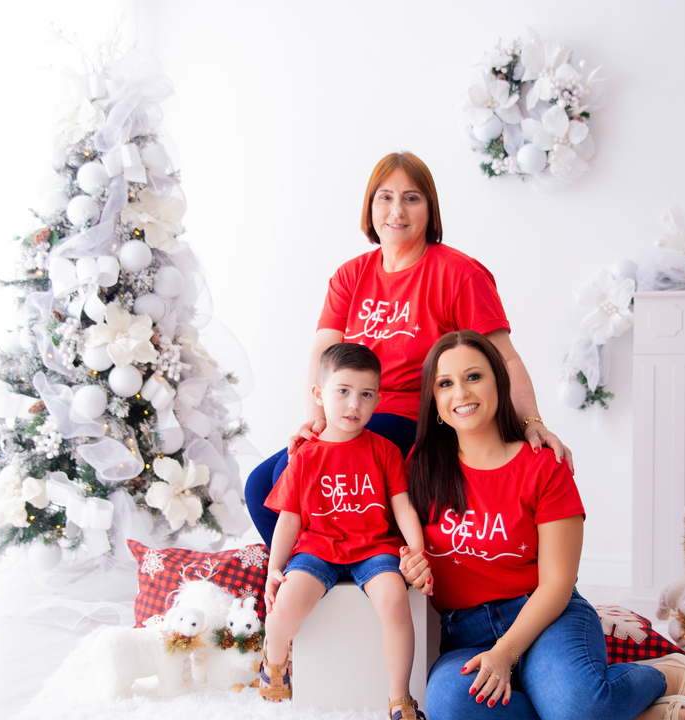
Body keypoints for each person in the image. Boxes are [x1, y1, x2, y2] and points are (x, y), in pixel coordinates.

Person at [400, 330, 685, 720]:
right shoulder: (420, 470)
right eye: (445, 383)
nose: (461, 392)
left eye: (474, 376)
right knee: (451, 711)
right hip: (466, 632)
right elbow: (401, 552)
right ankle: (620, 715)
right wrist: (411, 570)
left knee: (578, 709)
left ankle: (662, 676)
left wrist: (506, 651)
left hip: (546, 616)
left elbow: (558, 582)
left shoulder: (543, 466)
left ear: (498, 382)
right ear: (435, 401)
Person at [245, 151, 573, 548]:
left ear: (430, 209)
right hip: (352, 412)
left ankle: (360, 567)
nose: (396, 210)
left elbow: (504, 356)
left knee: (291, 474)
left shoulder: (458, 273)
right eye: (385, 197)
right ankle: (332, 576)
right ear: (370, 207)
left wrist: (530, 420)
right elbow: (322, 354)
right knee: (262, 485)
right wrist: (318, 423)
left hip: (416, 418)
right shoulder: (351, 276)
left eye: (411, 197)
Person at [260, 343, 432, 720]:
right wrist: (274, 568)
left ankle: (399, 697)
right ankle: (274, 660)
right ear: (319, 395)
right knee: (286, 602)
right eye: (343, 391)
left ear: (378, 399)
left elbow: (403, 507)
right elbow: (290, 518)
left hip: (374, 547)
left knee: (393, 598)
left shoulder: (384, 451)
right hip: (319, 547)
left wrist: (417, 552)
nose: (354, 404)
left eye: (366, 394)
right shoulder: (304, 456)